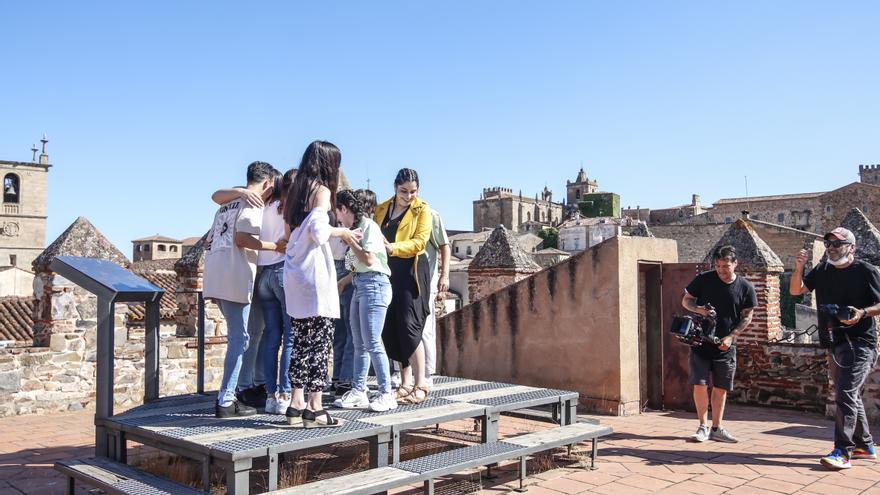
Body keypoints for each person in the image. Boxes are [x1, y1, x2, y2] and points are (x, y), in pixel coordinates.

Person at [283, 140, 362, 428]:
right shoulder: (322, 190)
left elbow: (292, 232)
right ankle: (315, 407)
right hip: (314, 274)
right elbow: (318, 231)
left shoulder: (295, 189)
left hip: (295, 273)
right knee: (320, 341)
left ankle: (296, 402)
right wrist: (344, 231)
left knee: (301, 340)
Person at [790, 227, 880, 470]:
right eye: (828, 244)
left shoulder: (866, 271)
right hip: (835, 341)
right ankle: (865, 446)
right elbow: (796, 291)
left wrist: (862, 313)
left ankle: (843, 451)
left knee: (845, 392)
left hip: (861, 343)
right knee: (848, 393)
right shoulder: (823, 270)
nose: (831, 248)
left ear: (851, 247)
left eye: (837, 244)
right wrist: (799, 267)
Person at [204, 161, 282, 418]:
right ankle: (226, 400)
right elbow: (242, 239)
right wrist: (275, 246)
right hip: (235, 276)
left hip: (216, 275)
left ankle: (236, 391)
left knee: (241, 337)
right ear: (268, 183)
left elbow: (215, 197)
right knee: (240, 340)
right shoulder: (252, 203)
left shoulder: (228, 201)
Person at [681, 245, 756, 443]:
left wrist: (732, 336)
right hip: (701, 341)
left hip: (726, 344)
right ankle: (702, 426)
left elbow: (747, 316)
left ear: (735, 264)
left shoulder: (745, 287)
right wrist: (699, 310)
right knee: (699, 384)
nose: (721, 270)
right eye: (718, 266)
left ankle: (717, 427)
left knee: (721, 387)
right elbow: (686, 300)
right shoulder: (704, 279)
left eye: (726, 266)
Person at [333, 190, 397, 412]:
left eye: (337, 210)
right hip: (361, 284)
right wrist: (343, 282)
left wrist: (351, 243)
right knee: (359, 342)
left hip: (375, 285)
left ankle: (386, 393)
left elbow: (369, 259)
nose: (336, 217)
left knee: (372, 341)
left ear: (344, 208)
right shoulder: (355, 230)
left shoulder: (368, 226)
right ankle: (359, 391)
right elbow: (358, 266)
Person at [374, 168, 432, 404]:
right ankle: (405, 382)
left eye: (413, 191)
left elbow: (420, 242)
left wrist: (393, 248)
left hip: (411, 272)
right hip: (388, 273)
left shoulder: (422, 210)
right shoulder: (381, 209)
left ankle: (421, 384)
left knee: (410, 327)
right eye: (403, 192)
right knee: (391, 327)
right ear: (395, 188)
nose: (409, 196)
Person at [421, 207, 451, 387]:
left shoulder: (431, 215)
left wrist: (445, 275)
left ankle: (426, 373)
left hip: (426, 282)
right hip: (400, 280)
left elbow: (444, 245)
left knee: (425, 329)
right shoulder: (392, 211)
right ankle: (400, 372)